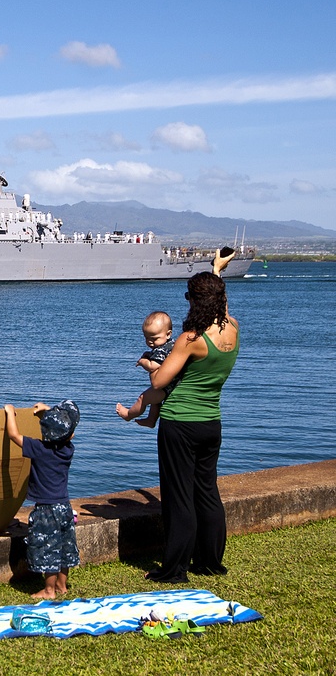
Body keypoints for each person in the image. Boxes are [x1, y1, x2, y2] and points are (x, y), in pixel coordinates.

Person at [144, 248, 239, 583]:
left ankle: (174, 570)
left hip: (180, 423)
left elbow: (160, 380)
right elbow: (221, 303)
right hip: (211, 423)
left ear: (195, 302)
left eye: (188, 298)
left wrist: (148, 362)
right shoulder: (232, 330)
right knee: (207, 492)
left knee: (179, 497)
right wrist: (217, 270)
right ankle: (211, 562)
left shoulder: (190, 339)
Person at [4, 400, 80, 599]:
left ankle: (48, 590)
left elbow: (13, 435)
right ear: (70, 435)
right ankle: (62, 586)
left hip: (46, 509)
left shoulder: (39, 448)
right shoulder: (68, 449)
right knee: (63, 547)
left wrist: (10, 412)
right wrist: (46, 411)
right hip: (64, 506)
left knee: (49, 548)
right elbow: (61, 429)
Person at [116, 311, 175, 428]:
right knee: (155, 402)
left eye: (154, 338)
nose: (150, 342)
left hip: (165, 389)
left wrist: (143, 361)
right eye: (147, 338)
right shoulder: (173, 345)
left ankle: (128, 414)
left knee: (143, 398)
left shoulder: (161, 350)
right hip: (171, 386)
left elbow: (153, 366)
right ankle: (151, 420)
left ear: (168, 334)